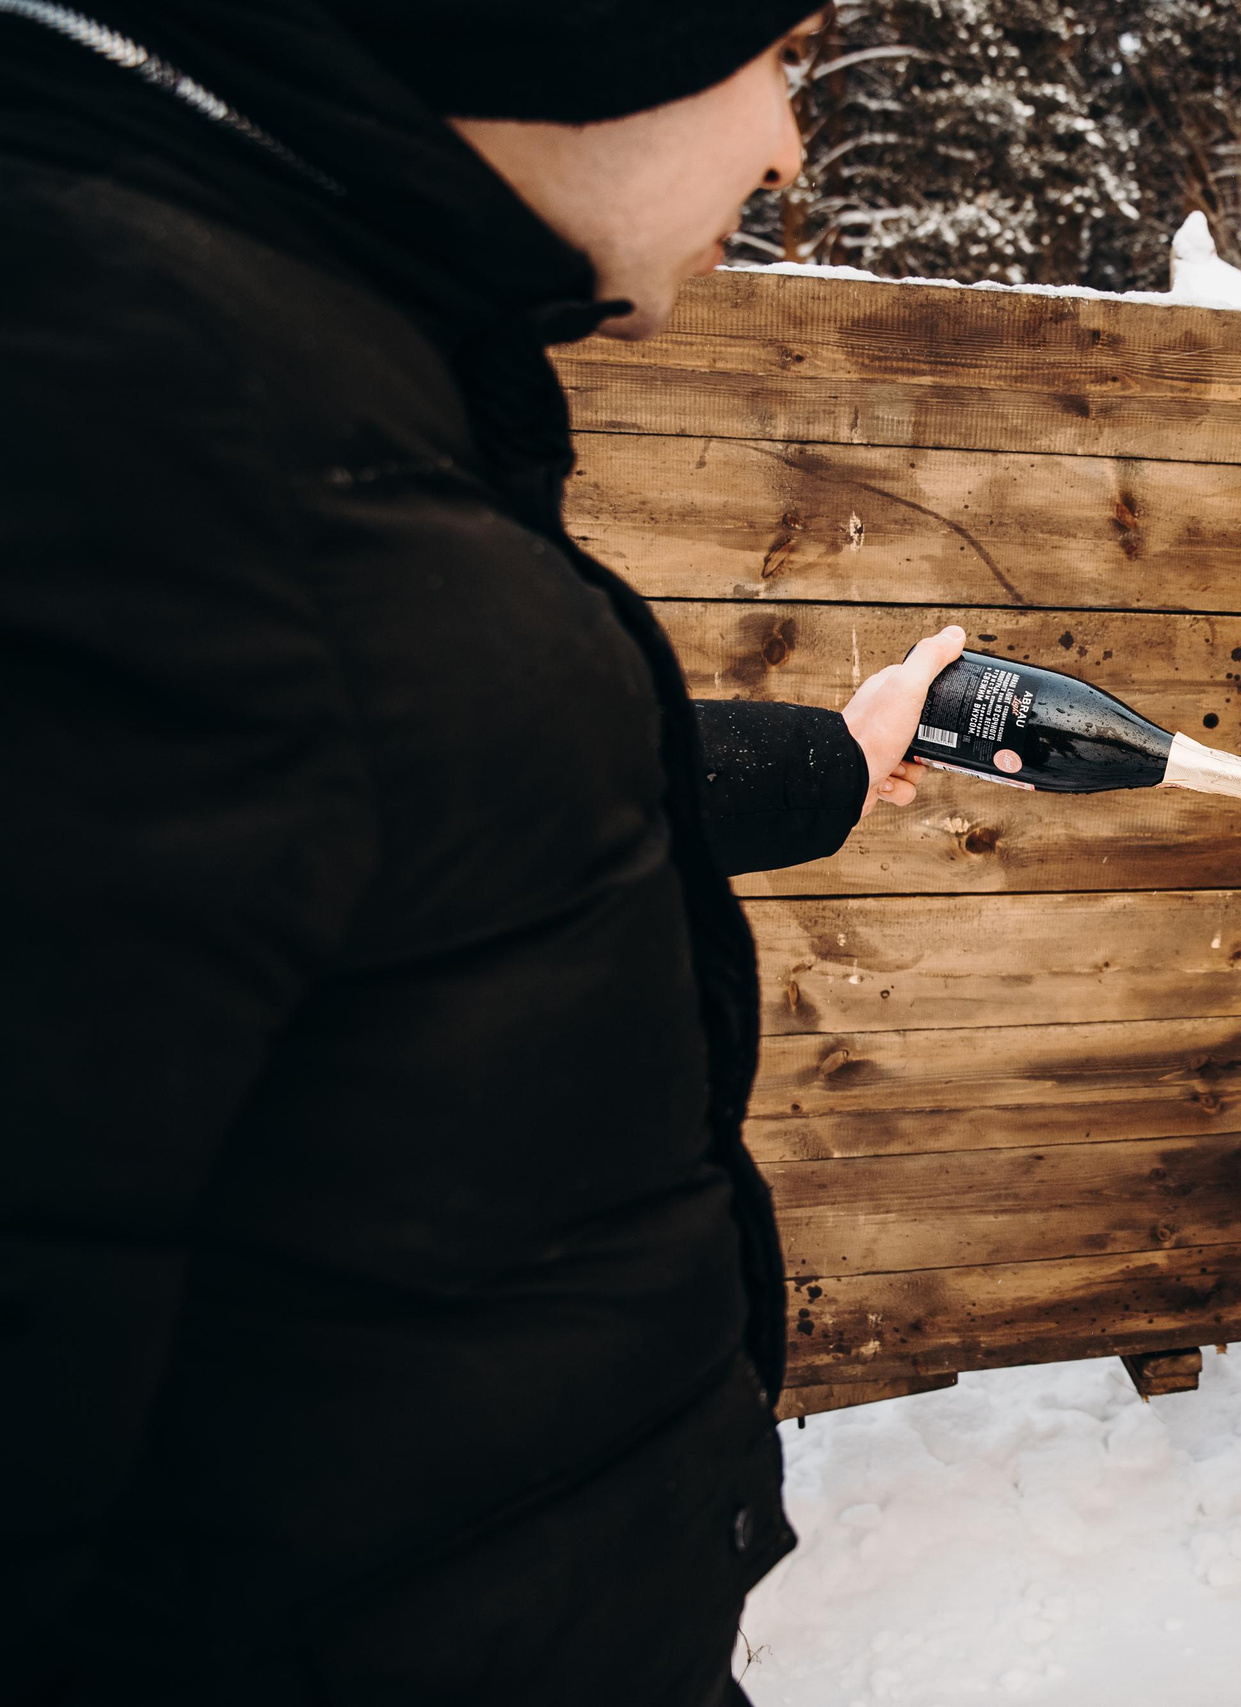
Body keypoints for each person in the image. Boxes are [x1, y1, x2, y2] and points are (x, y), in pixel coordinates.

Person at [0, 4, 963, 1701]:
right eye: (770, 57)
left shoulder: (269, 373)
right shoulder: (129, 421)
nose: (787, 144)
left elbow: (401, 770)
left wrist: (833, 757)